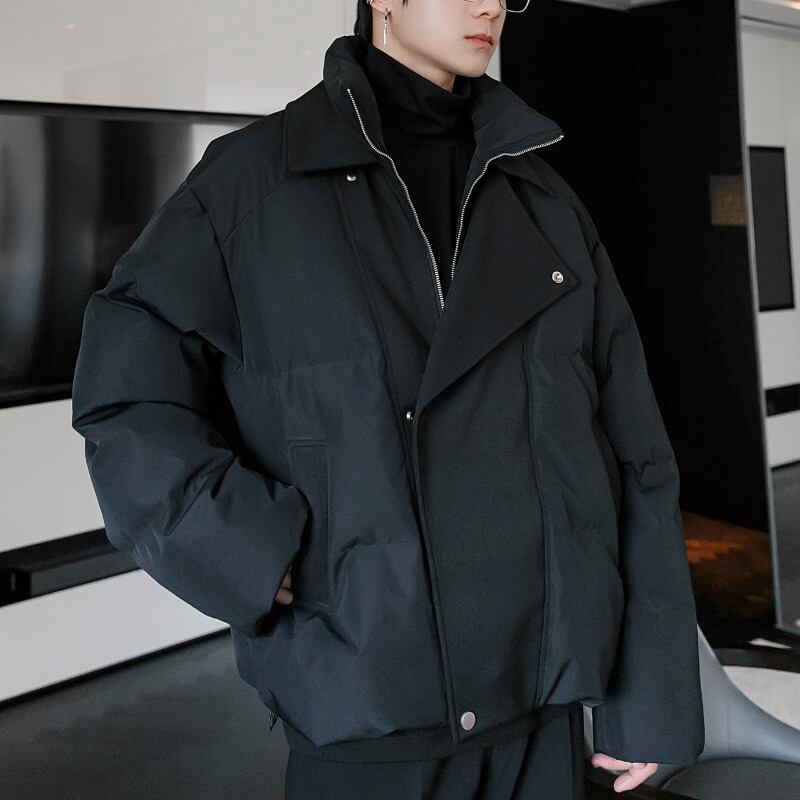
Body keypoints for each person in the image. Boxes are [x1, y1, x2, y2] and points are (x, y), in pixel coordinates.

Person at [71, 1, 705, 798]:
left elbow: (633, 451)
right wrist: (245, 550)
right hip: (368, 712)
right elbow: (126, 395)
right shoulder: (251, 185)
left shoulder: (543, 201)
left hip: (540, 715)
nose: (491, 4)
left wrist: (649, 695)